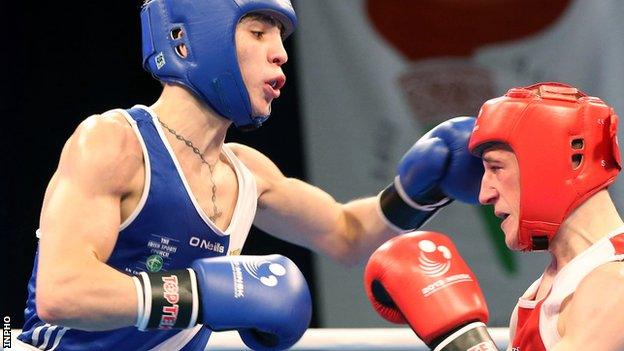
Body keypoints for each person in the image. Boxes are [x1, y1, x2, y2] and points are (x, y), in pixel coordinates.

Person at [15, 0, 483, 350]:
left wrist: (418, 190)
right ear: (188, 39)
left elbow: (347, 234)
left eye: (280, 38)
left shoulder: (248, 173)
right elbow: (63, 291)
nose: (280, 54)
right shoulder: (113, 141)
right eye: (259, 32)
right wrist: (202, 294)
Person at [364, 82, 624, 351]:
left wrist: (459, 339)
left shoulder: (615, 284)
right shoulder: (540, 294)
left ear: (555, 163)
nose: (483, 194)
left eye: (496, 168)